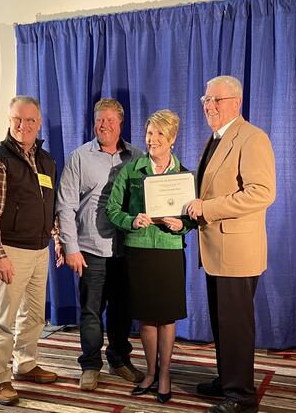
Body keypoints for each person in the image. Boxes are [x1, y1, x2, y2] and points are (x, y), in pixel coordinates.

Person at [185, 76, 276, 413]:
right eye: (205, 99)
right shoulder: (216, 138)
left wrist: (207, 209)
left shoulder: (252, 138)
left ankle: (242, 396)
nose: (209, 105)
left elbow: (262, 192)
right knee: (223, 322)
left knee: (235, 326)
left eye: (216, 100)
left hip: (237, 252)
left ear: (236, 102)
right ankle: (227, 380)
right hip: (216, 251)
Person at [106, 109, 194, 404]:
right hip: (140, 250)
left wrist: (182, 224)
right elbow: (112, 210)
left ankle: (166, 373)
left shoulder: (184, 175)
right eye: (149, 133)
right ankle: (150, 372)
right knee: (146, 319)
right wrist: (133, 220)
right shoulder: (131, 170)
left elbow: (194, 217)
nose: (152, 139)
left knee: (166, 318)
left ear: (172, 139)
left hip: (169, 251)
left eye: (159, 134)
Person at [55, 98, 145, 390]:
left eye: (109, 120)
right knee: (91, 311)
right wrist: (70, 247)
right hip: (90, 249)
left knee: (122, 310)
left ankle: (119, 360)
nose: (103, 125)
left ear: (120, 123)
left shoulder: (137, 157)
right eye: (99, 119)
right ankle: (90, 364)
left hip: (125, 249)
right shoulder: (79, 157)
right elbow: (65, 206)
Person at [0, 95, 59, 406]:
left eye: (30, 120)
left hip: (40, 250)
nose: (23, 125)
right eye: (17, 119)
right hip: (11, 251)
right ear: (9, 120)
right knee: (3, 319)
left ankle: (25, 363)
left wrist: (56, 237)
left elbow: (47, 207)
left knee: (35, 315)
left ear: (39, 123)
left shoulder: (46, 160)